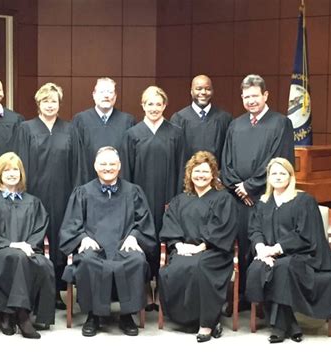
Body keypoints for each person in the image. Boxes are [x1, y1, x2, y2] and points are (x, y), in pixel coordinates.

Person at [59, 146, 157, 337]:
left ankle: (127, 315)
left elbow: (144, 222)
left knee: (136, 261)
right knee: (87, 261)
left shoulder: (133, 191)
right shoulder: (83, 192)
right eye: (103, 164)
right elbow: (71, 224)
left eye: (112, 164)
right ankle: (93, 316)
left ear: (119, 166)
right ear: (95, 166)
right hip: (95, 249)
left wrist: (134, 236)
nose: (108, 168)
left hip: (124, 247)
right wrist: (83, 238)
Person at [221, 74, 294, 304]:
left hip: (265, 198)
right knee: (240, 246)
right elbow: (226, 163)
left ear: (265, 95)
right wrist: (238, 189)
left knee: (263, 245)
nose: (251, 100)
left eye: (255, 95)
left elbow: (279, 162)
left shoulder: (280, 123)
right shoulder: (236, 124)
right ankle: (241, 295)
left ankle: (266, 299)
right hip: (239, 201)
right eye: (246, 96)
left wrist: (250, 187)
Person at [245, 158, 331, 343]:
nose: (278, 177)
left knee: (283, 267)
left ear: (290, 176)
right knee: (258, 269)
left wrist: (275, 250)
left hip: (303, 254)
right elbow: (255, 230)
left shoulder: (303, 200)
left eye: (282, 173)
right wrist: (262, 250)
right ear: (268, 178)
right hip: (268, 254)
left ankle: (279, 328)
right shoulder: (262, 203)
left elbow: (305, 235)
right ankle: (292, 325)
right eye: (274, 174)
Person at [0, 152, 55, 339]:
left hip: (26, 251)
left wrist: (28, 246)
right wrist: (12, 244)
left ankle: (9, 313)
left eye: (15, 169)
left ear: (21, 173)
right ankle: (22, 315)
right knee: (16, 257)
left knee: (44, 263)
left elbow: (40, 229)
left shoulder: (32, 201)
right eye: (7, 170)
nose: (11, 173)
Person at [159, 151, 237, 342]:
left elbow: (224, 228)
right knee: (172, 270)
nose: (200, 175)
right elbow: (171, 226)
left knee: (199, 267)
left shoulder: (223, 199)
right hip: (184, 250)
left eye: (205, 171)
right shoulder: (179, 200)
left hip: (214, 252)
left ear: (213, 175)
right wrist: (178, 245)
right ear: (189, 174)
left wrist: (201, 247)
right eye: (196, 171)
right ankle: (186, 319)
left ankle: (206, 324)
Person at [17, 83, 82, 310]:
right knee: (35, 241)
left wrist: (76, 196)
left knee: (58, 243)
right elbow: (20, 165)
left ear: (59, 104)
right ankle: (33, 292)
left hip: (64, 196)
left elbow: (78, 166)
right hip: (34, 196)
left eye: (53, 101)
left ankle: (54, 292)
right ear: (38, 104)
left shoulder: (70, 129)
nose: (50, 105)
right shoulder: (26, 128)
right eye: (45, 101)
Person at [121, 86, 183, 310]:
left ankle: (164, 289)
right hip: (141, 198)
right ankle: (146, 289)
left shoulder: (176, 133)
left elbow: (181, 168)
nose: (154, 108)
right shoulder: (133, 134)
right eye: (150, 104)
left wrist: (175, 200)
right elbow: (126, 172)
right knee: (144, 239)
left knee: (166, 241)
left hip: (168, 198)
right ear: (142, 105)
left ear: (165, 105)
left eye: (158, 104)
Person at [73, 77, 136, 182]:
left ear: (115, 96)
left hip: (120, 187)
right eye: (102, 91)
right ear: (94, 95)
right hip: (88, 184)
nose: (106, 95)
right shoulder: (80, 120)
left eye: (110, 92)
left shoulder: (127, 121)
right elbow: (76, 159)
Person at [170, 75, 232, 174]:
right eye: (198, 89)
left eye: (208, 89)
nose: (203, 92)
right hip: (187, 180)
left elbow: (229, 154)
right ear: (191, 91)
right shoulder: (178, 119)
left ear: (212, 91)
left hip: (216, 179)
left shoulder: (224, 118)